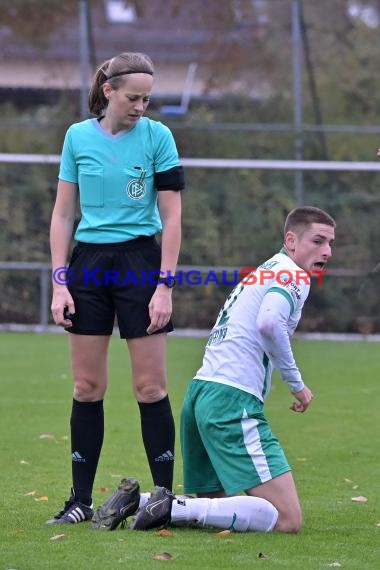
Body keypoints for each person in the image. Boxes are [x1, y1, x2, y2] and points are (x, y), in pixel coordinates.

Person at [91, 206, 335, 533]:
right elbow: (268, 321)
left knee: (216, 503)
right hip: (230, 403)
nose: (327, 251)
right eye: (318, 241)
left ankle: (143, 500)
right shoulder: (293, 274)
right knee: (288, 519)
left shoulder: (264, 271)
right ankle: (168, 506)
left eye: (331, 243)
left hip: (200, 394)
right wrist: (297, 383)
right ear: (291, 240)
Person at [47, 52, 184, 525]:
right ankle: (79, 502)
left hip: (139, 264)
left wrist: (164, 285)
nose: (141, 106)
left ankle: (164, 501)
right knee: (87, 387)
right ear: (108, 92)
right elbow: (64, 215)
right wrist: (60, 282)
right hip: (87, 265)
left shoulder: (158, 137)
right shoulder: (77, 137)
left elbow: (172, 218)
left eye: (147, 98)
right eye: (133, 97)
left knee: (150, 387)